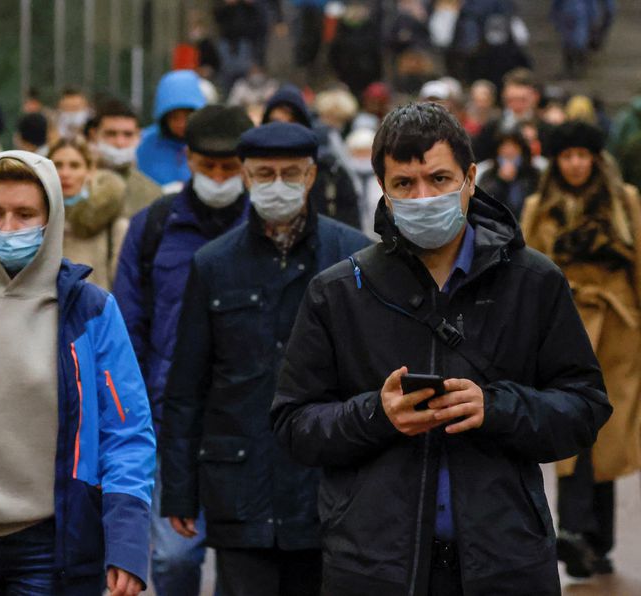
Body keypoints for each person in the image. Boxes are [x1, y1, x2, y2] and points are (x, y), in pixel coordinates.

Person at [270, 102, 610, 595]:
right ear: (383, 190)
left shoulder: (533, 281)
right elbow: (293, 423)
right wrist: (376, 415)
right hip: (375, 565)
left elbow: (585, 407)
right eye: (405, 184)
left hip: (505, 561)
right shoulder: (341, 290)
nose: (423, 196)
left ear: (470, 178)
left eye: (439, 178)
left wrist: (496, 407)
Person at [160, 122, 370, 596]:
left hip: (326, 487)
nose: (278, 185)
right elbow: (186, 386)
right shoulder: (214, 264)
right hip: (239, 484)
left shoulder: (352, 259)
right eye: (265, 173)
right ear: (247, 177)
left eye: (291, 173)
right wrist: (179, 488)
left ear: (312, 176)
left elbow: (369, 378)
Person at [0, 149, 155, 595]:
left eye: (25, 214)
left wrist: (127, 543)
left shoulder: (89, 310)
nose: (7, 228)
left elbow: (126, 432)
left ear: (52, 218)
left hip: (51, 546)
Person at [115, 105, 254, 596]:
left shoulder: (265, 227)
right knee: (174, 557)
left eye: (230, 168)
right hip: (171, 414)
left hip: (247, 415)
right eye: (208, 166)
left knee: (247, 559)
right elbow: (130, 323)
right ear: (188, 160)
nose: (219, 177)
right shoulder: (153, 227)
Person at [520, 120, 641, 578]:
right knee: (569, 428)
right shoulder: (538, 207)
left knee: (605, 435)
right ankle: (572, 532)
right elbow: (524, 272)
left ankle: (597, 540)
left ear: (594, 158)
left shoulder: (625, 201)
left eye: (582, 155)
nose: (574, 164)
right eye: (566, 156)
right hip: (563, 325)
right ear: (556, 161)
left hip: (617, 327)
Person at [262, 84, 361, 229]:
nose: (283, 131)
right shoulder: (254, 175)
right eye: (275, 123)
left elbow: (351, 238)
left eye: (292, 123)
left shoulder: (331, 173)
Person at [49, 137, 129, 290]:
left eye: (75, 165)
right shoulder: (36, 220)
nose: (65, 173)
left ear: (90, 171)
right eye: (57, 165)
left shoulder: (112, 223)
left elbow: (121, 283)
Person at [136, 70, 207, 191]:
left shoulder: (211, 144)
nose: (181, 124)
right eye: (174, 117)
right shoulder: (144, 144)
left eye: (187, 116)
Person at [92, 98, 163, 216]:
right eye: (111, 134)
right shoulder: (77, 185)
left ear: (139, 136)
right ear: (94, 135)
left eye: (128, 134)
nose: (120, 143)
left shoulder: (152, 193)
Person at [473, 67, 546, 163]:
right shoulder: (492, 127)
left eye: (522, 100)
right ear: (504, 97)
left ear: (535, 97)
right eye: (511, 100)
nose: (517, 105)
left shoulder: (544, 127)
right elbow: (479, 157)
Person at [476, 128, 542, 220]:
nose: (509, 151)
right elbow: (483, 204)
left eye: (514, 147)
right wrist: (500, 181)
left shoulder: (533, 174)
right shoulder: (488, 174)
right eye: (504, 147)